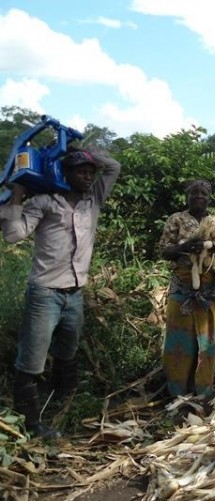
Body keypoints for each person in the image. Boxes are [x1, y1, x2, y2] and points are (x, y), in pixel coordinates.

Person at [0, 148, 121, 439]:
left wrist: (82, 150)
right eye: (81, 171)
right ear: (65, 174)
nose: (88, 176)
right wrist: (17, 193)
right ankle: (31, 424)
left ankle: (64, 402)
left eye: (90, 172)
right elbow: (14, 235)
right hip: (45, 294)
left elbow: (113, 166)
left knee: (67, 351)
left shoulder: (93, 201)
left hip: (75, 294)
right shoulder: (44, 202)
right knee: (32, 360)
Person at [159, 180, 215, 397]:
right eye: (194, 193)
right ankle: (178, 391)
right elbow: (164, 251)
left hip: (212, 289)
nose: (199, 197)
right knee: (180, 341)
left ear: (209, 197)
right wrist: (185, 247)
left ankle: (203, 389)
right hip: (183, 287)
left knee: (210, 341)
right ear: (187, 196)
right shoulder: (176, 219)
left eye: (203, 193)